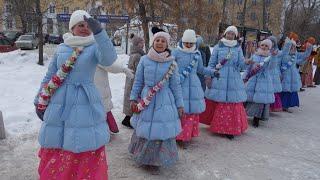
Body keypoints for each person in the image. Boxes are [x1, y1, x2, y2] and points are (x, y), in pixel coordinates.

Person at [34, 10, 117, 179]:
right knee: (59, 138)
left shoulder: (95, 47)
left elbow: (109, 58)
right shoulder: (62, 48)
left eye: (88, 26)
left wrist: (100, 33)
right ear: (72, 27)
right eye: (80, 25)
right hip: (60, 101)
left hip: (86, 100)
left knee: (84, 139)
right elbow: (50, 75)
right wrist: (39, 99)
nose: (85, 28)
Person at [128, 30, 184, 173]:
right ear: (153, 42)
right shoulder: (144, 60)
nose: (160, 43)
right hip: (146, 100)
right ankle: (143, 156)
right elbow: (138, 81)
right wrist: (133, 98)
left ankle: (157, 159)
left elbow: (176, 86)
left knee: (161, 129)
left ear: (167, 44)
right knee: (145, 128)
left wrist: (180, 105)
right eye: (157, 40)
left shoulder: (172, 63)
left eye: (163, 41)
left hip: (165, 101)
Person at [200, 25, 251, 140]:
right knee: (219, 101)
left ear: (235, 36)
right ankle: (217, 125)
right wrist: (209, 75)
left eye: (232, 34)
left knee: (232, 103)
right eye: (228, 33)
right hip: (219, 77)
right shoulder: (218, 47)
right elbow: (212, 63)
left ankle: (230, 128)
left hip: (233, 79)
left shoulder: (238, 48)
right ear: (225, 34)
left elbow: (240, 64)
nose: (230, 35)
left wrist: (247, 62)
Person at [172, 29, 215, 148]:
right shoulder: (176, 53)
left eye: (191, 43)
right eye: (187, 42)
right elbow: (169, 67)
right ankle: (178, 135)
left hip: (194, 86)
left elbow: (201, 69)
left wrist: (212, 72)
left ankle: (186, 136)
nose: (189, 45)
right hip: (180, 84)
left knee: (191, 113)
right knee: (180, 111)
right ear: (182, 41)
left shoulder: (198, 54)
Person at [94, 55, 134, 133]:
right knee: (103, 112)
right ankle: (108, 130)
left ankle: (111, 128)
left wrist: (123, 69)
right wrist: (123, 69)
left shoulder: (93, 52)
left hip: (99, 92)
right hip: (98, 93)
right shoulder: (94, 52)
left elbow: (109, 64)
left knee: (104, 111)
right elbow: (109, 65)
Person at [244, 39, 278, 127]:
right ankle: (245, 115)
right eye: (263, 45)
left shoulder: (270, 57)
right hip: (253, 78)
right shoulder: (255, 55)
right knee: (249, 97)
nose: (264, 47)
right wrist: (245, 77)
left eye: (267, 46)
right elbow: (249, 67)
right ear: (260, 45)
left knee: (260, 100)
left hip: (263, 80)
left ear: (269, 48)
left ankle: (257, 118)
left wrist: (274, 57)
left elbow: (272, 67)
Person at [280, 32, 313, 113]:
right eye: (293, 46)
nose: (294, 48)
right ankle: (281, 105)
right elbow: (283, 56)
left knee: (291, 90)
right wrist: (288, 43)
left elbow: (303, 56)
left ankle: (286, 106)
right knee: (284, 90)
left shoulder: (295, 54)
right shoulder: (283, 54)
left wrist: (309, 49)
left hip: (293, 75)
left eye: (295, 47)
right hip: (285, 75)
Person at [122, 34, 145, 128]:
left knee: (130, 99)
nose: (142, 44)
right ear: (136, 44)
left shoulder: (133, 54)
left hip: (130, 80)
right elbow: (139, 70)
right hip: (134, 80)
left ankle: (127, 119)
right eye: (141, 43)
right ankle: (128, 120)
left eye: (143, 42)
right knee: (134, 99)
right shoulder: (138, 56)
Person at [268, 36, 291, 112]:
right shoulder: (265, 49)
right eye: (270, 41)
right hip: (266, 72)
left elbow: (284, 52)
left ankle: (271, 106)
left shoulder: (277, 51)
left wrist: (287, 44)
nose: (271, 43)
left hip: (275, 72)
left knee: (273, 90)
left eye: (273, 42)